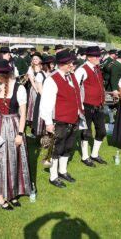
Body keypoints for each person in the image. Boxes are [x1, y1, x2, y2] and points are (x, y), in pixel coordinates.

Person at [0, 58, 32, 210]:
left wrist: (20, 133)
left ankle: (12, 192)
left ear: (3, 74)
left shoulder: (20, 88)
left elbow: (23, 114)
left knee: (15, 159)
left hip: (14, 125)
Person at [40, 50, 83, 188]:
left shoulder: (71, 76)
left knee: (68, 146)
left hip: (73, 118)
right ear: (63, 64)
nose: (72, 65)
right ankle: (53, 177)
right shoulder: (52, 80)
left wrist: (79, 113)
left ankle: (63, 171)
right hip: (59, 120)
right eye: (70, 63)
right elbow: (46, 103)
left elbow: (77, 96)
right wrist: (48, 123)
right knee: (57, 148)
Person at [74, 46, 107, 167]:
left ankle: (94, 154)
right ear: (89, 57)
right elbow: (75, 88)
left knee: (102, 131)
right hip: (86, 106)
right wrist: (79, 107)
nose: (99, 58)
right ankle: (85, 156)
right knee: (86, 133)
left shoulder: (97, 68)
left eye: (99, 55)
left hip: (99, 105)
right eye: (96, 56)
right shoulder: (82, 70)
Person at [105, 50, 121, 124]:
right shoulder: (116, 65)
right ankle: (112, 120)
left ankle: (112, 120)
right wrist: (114, 90)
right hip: (114, 88)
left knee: (111, 105)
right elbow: (113, 78)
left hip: (109, 86)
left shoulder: (112, 63)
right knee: (112, 105)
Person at [26, 52, 45, 137]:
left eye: (36, 59)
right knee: (34, 109)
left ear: (40, 60)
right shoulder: (30, 68)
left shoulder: (43, 68)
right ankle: (34, 130)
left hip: (44, 90)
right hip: (34, 91)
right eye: (33, 59)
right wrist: (37, 90)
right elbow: (32, 81)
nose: (35, 60)